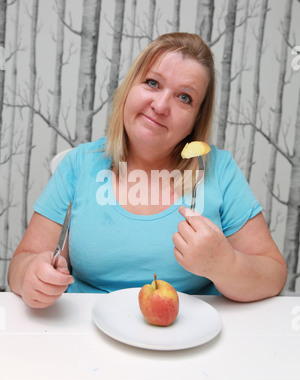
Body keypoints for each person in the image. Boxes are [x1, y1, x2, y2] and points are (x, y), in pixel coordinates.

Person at [8, 33, 287, 308]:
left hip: (189, 342)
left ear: (195, 120)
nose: (161, 105)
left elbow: (273, 275)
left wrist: (226, 265)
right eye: (152, 83)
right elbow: (22, 263)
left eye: (184, 98)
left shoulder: (220, 170)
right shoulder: (79, 164)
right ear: (130, 87)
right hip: (86, 337)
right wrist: (31, 275)